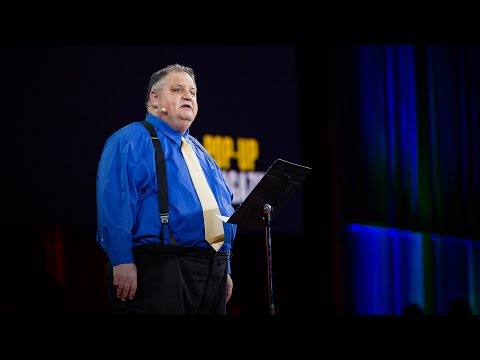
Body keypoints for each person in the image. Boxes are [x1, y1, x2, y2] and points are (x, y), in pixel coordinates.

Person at [96, 64, 237, 315]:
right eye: (178, 89)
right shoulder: (130, 139)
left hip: (210, 270)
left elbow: (221, 208)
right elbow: (115, 202)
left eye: (193, 92)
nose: (188, 96)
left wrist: (223, 267)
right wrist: (122, 260)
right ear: (154, 99)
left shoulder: (201, 152)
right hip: (160, 267)